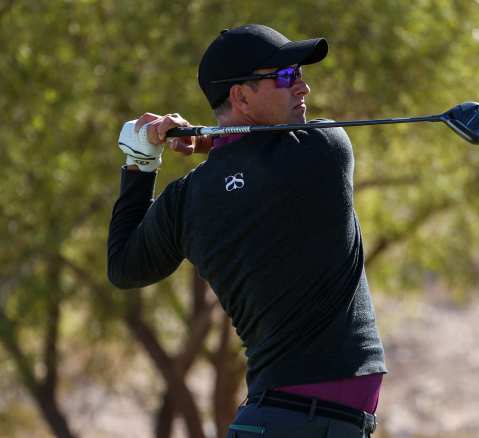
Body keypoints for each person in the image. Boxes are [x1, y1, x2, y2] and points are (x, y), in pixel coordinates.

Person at [108, 24, 386, 437]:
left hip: (276, 418)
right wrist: (207, 141)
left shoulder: (184, 200)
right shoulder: (322, 151)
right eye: (287, 76)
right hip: (306, 423)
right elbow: (256, 158)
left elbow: (124, 266)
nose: (303, 87)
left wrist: (140, 163)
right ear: (240, 96)